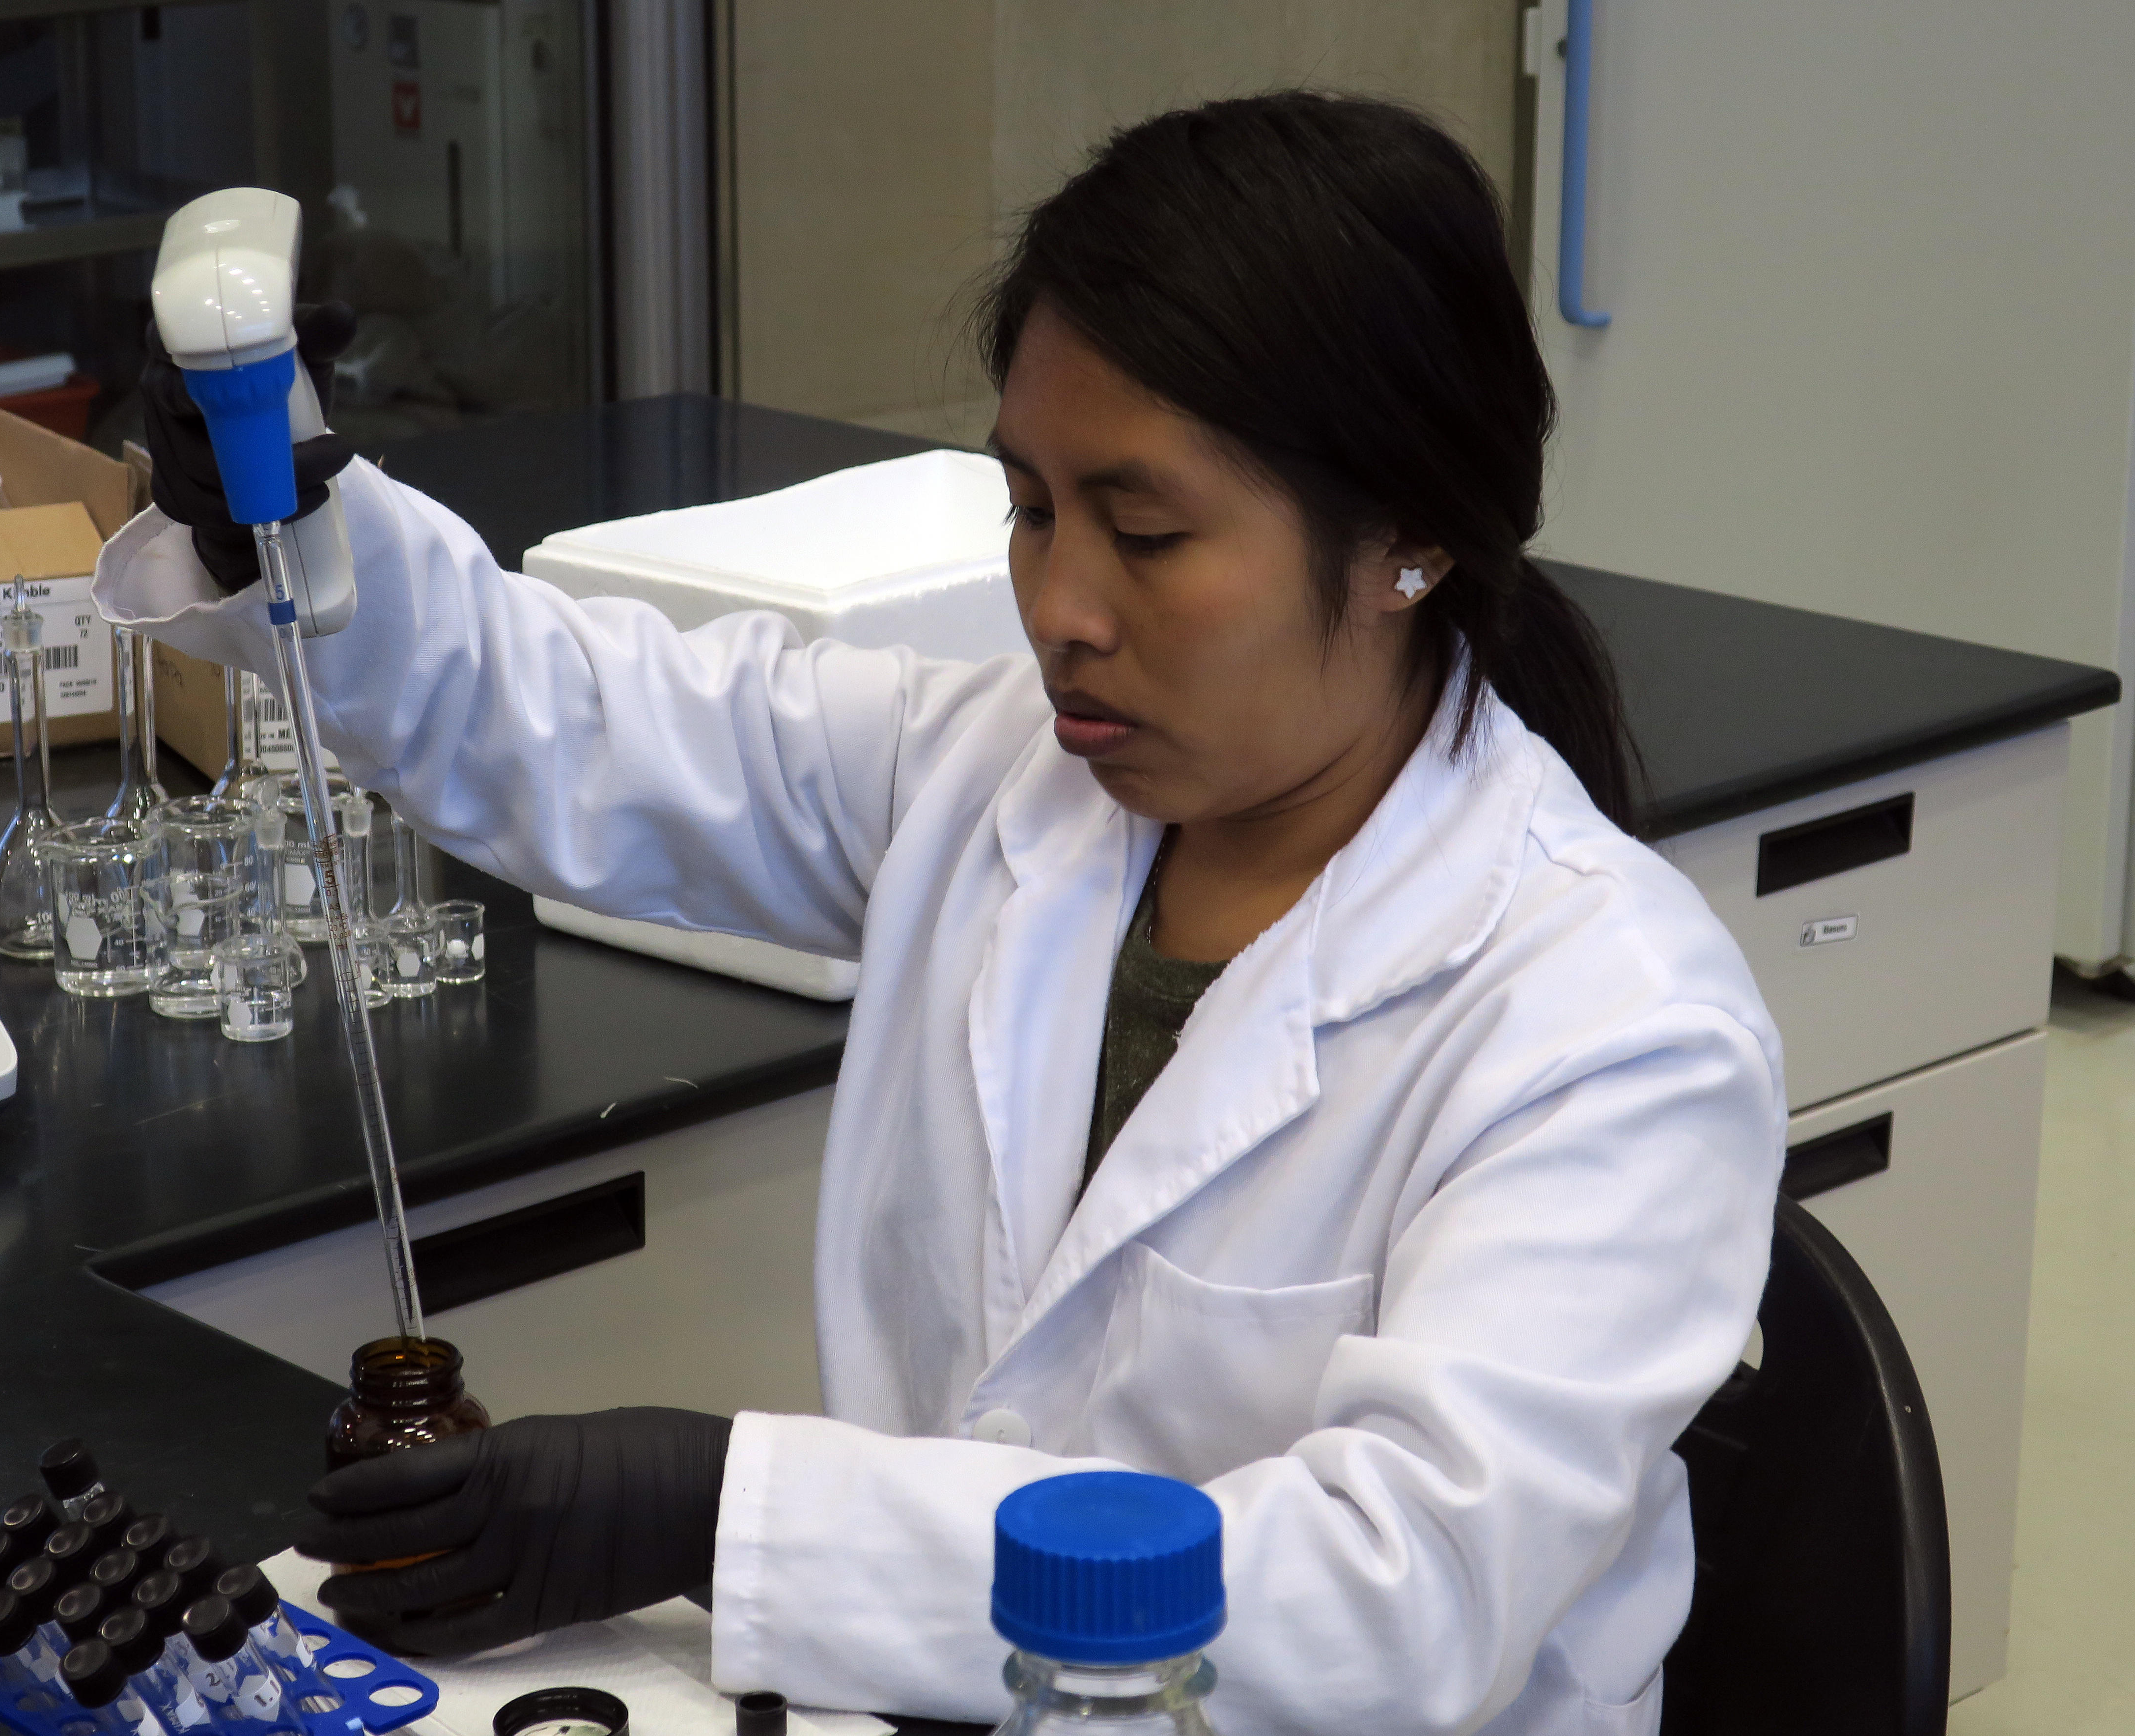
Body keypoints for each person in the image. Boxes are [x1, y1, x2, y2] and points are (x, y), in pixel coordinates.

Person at [103, 92, 1781, 1736]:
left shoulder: (1611, 1023)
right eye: (1034, 507)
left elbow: (1393, 1596)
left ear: (1409, 539)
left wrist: (728, 1516)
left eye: (1145, 531)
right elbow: (579, 721)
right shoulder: (1003, 781)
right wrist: (290, 522)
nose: (1058, 608)